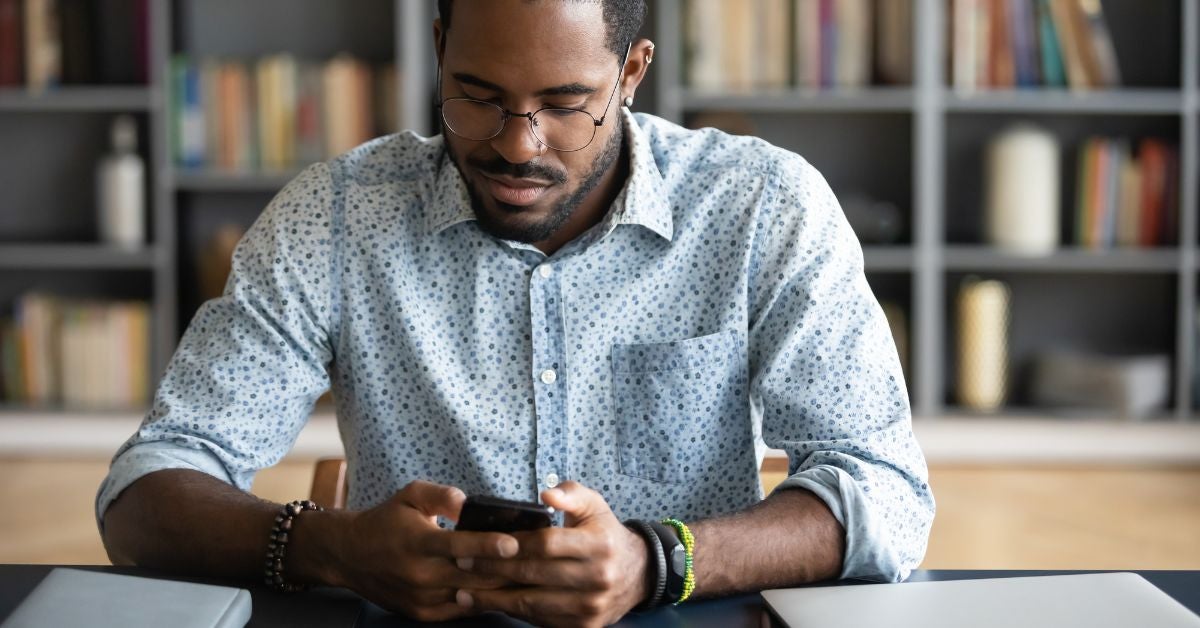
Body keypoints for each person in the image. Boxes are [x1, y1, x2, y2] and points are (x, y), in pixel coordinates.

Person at [97, 1, 935, 626]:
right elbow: (146, 489)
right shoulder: (338, 215)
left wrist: (659, 560)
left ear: (633, 71)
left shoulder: (761, 208)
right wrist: (334, 548)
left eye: (567, 103)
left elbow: (886, 495)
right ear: (436, 48)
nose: (516, 145)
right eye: (476, 95)